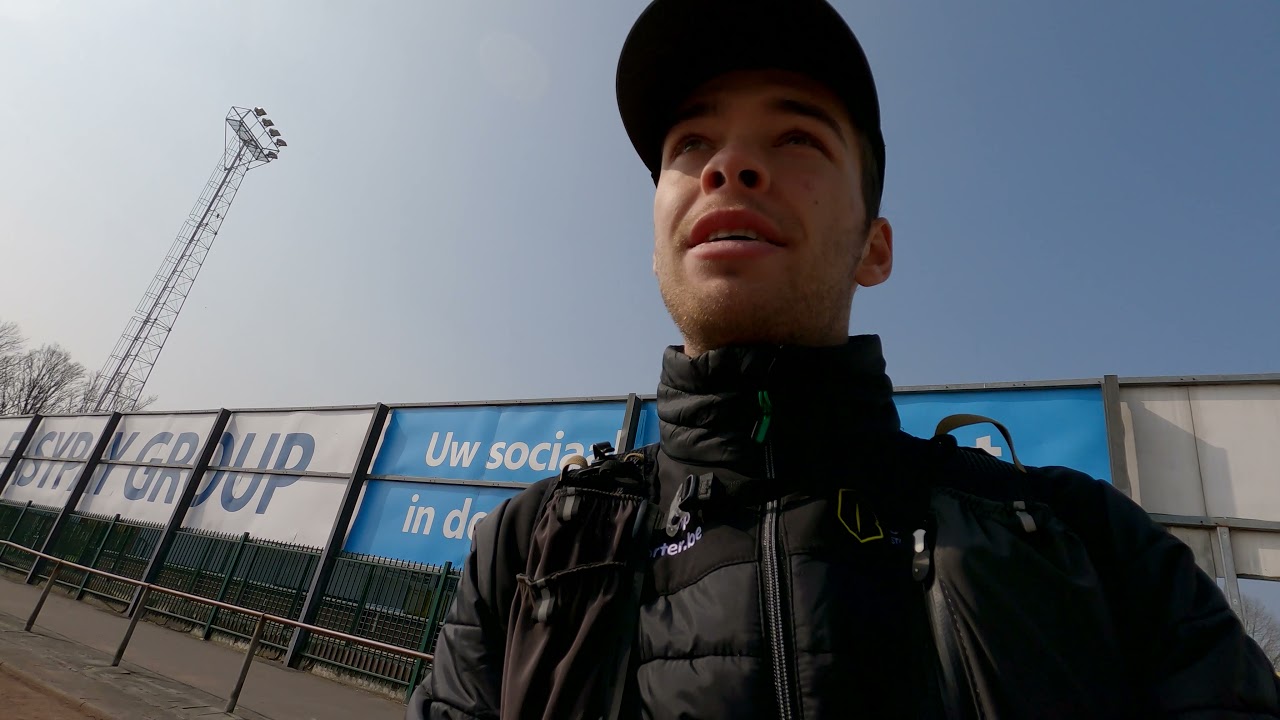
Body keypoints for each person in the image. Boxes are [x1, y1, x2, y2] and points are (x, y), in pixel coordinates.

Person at [409, 1, 1280, 718]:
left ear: (876, 248)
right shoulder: (527, 553)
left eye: (796, 140)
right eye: (690, 146)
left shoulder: (1085, 543)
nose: (731, 165)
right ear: (655, 244)